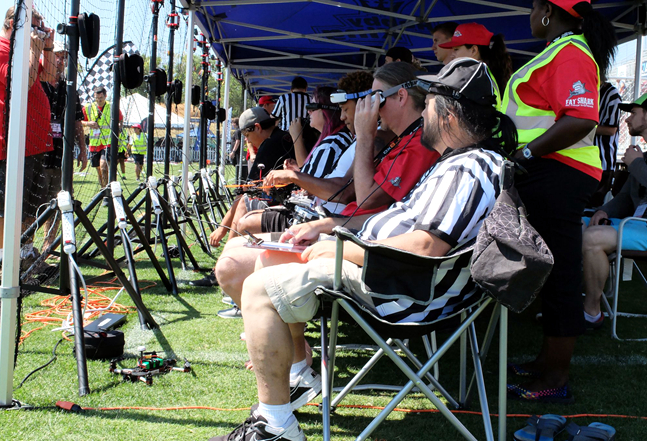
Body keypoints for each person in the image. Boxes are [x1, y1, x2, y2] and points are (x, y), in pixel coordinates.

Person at [208, 57, 517, 441]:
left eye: (429, 106)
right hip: (394, 273)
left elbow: (427, 246)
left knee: (260, 286)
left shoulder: (469, 168)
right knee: (271, 265)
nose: (424, 113)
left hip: (406, 290)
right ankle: (289, 391)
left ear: (449, 117)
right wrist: (330, 229)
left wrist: (346, 250)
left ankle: (276, 426)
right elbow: (401, 223)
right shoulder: (460, 163)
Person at [215, 62, 439, 319]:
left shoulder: (410, 144)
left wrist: (365, 135)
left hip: (358, 243)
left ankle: (287, 339)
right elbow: (358, 198)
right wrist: (324, 222)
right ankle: (276, 330)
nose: (371, 109)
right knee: (236, 252)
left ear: (401, 96)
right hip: (346, 230)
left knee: (236, 264)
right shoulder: (399, 141)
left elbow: (361, 199)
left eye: (377, 99)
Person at [503, 0, 617, 403]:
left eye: (534, 6)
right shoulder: (560, 50)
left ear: (549, 12)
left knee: (561, 274)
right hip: (552, 173)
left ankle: (555, 376)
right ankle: (545, 362)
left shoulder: (570, 52)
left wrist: (527, 154)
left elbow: (581, 118)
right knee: (551, 271)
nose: (530, 13)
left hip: (558, 174)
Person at [189, 107, 295, 288]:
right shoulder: (282, 136)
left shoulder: (269, 144)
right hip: (290, 202)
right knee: (244, 201)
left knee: (244, 204)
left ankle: (223, 267)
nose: (247, 141)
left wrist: (222, 228)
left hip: (288, 208)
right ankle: (223, 264)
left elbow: (246, 192)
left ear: (257, 127)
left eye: (247, 135)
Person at [234, 86, 354, 237]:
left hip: (315, 215)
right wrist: (296, 171)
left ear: (327, 111)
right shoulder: (333, 141)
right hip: (314, 210)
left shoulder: (332, 144)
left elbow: (313, 186)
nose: (307, 112)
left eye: (312, 107)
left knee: (245, 220)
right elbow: (315, 178)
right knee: (245, 210)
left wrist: (292, 175)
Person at [582, 94, 647, 329]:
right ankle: (568, 300)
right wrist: (604, 211)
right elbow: (625, 198)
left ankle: (591, 313)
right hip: (635, 224)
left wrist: (636, 164)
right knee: (575, 224)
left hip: (640, 228)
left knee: (594, 238)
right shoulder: (642, 155)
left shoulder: (638, 159)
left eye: (634, 113)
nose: (627, 120)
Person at [0, 6, 53, 264]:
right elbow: (21, 84)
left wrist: (47, 48)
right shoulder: (1, 49)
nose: (37, 32)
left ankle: (25, 252)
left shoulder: (23, 49)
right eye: (34, 27)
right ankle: (1, 259)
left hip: (33, 142)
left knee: (32, 204)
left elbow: (49, 76)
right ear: (13, 24)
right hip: (9, 144)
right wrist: (36, 49)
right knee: (4, 207)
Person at [40, 38, 88, 252]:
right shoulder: (35, 81)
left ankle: (48, 246)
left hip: (60, 154)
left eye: (63, 57)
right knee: (34, 202)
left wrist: (83, 150)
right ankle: (25, 247)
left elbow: (77, 121)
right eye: (57, 55)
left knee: (59, 199)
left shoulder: (70, 89)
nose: (60, 60)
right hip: (36, 153)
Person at [438, 22, 513, 97]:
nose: (452, 54)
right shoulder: (484, 76)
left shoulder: (477, 80)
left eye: (456, 49)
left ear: (473, 50)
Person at [588, 80, 622, 206]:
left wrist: (581, 128)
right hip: (586, 159)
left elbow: (611, 129)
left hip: (602, 162)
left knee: (594, 204)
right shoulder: (587, 92)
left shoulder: (611, 94)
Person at [82, 86, 123, 188]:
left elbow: (120, 119)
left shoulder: (112, 107)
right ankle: (103, 189)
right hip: (94, 143)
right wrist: (88, 123)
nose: (99, 100)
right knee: (99, 170)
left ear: (105, 96)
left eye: (101, 98)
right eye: (97, 98)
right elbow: (79, 121)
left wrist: (118, 128)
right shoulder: (88, 107)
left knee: (104, 166)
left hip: (107, 142)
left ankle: (108, 189)